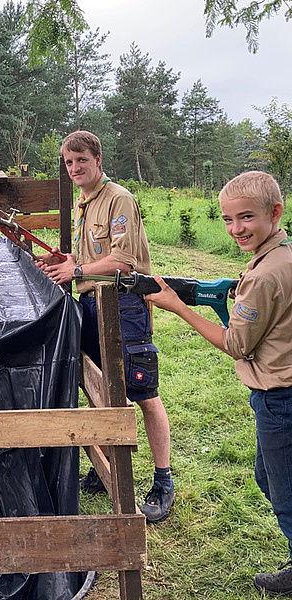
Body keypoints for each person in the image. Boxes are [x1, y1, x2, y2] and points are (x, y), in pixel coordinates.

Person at [146, 170, 292, 596]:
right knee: (268, 478)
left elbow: (235, 345)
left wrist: (178, 306)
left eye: (245, 218)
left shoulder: (265, 275)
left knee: (284, 498)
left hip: (278, 398)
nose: (235, 229)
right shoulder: (277, 258)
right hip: (280, 394)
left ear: (275, 212)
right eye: (228, 220)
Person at [37, 130, 174, 523]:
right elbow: (88, 258)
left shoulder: (118, 199)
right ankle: (106, 468)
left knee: (143, 392)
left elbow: (123, 263)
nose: (74, 168)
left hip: (125, 305)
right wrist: (63, 262)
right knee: (100, 386)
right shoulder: (84, 203)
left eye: (81, 160)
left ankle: (163, 481)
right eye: (68, 162)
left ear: (98, 159)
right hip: (92, 304)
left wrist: (76, 269)